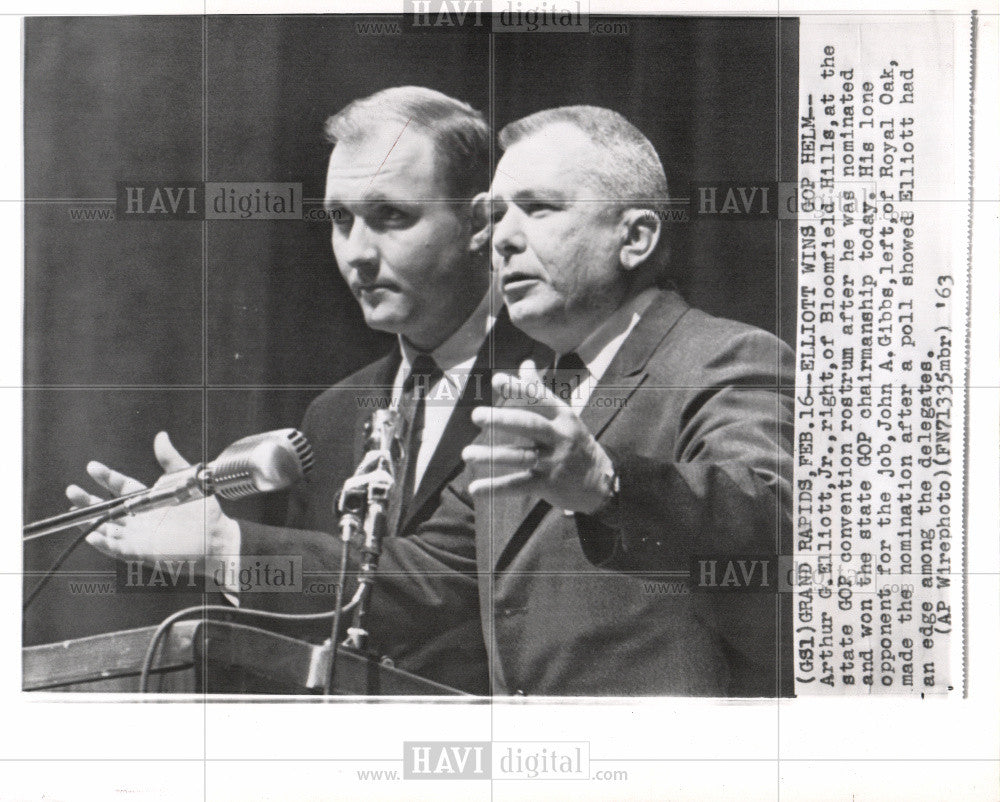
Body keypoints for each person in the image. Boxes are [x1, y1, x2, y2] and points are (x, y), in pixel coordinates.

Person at [67, 87, 536, 694]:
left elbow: (448, 582)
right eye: (341, 220)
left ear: (479, 223)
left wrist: (228, 546)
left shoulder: (550, 381)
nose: (357, 254)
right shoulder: (335, 415)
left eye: (391, 216)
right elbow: (308, 636)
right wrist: (208, 548)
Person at [448, 105, 795, 696]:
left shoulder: (729, 355)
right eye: (497, 215)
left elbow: (774, 518)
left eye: (537, 208)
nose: (501, 239)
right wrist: (238, 549)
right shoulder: (532, 403)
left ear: (635, 237)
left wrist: (608, 484)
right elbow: (428, 570)